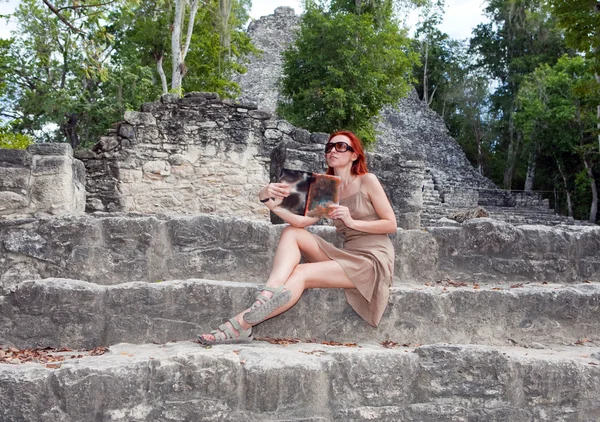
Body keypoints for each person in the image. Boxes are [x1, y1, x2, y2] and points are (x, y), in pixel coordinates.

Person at [198, 131, 397, 345]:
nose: (332, 151)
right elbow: (300, 223)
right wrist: (267, 199)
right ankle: (270, 292)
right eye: (329, 147)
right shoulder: (327, 188)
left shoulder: (367, 181)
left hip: (372, 259)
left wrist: (352, 222)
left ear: (354, 155)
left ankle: (239, 326)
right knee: (292, 232)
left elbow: (391, 224)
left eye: (340, 146)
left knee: (301, 272)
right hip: (347, 254)